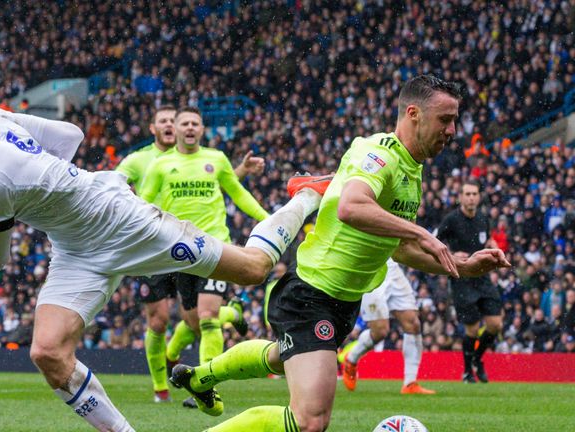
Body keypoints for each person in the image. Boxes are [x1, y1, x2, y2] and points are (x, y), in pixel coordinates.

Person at [0, 89, 329, 432]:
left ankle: (307, 194)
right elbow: (70, 137)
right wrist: (58, 186)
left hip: (123, 223)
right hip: (75, 246)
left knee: (252, 269)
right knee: (47, 352)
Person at [170, 75, 510, 431]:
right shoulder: (379, 153)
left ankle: (201, 376)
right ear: (413, 113)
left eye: (455, 119)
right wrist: (423, 232)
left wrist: (463, 265)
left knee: (279, 354)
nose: (453, 130)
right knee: (309, 421)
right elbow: (351, 206)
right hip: (311, 295)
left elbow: (402, 249)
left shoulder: (412, 169)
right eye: (445, 119)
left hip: (344, 301)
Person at [115, 105, 263, 403]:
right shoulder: (150, 162)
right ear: (155, 127)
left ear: (201, 128)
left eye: (192, 123)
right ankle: (231, 314)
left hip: (214, 246)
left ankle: (207, 384)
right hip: (169, 248)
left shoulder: (215, 158)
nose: (183, 127)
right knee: (182, 322)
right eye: (174, 122)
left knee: (207, 318)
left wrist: (267, 216)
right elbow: (131, 196)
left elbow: (227, 188)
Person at [436, 180, 502, 383]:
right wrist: (453, 254)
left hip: (482, 277)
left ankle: (477, 359)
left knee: (495, 324)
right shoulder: (451, 220)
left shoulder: (483, 219)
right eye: (468, 194)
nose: (471, 197)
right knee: (472, 328)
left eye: (474, 194)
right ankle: (467, 372)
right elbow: (436, 242)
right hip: (462, 277)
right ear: (461, 197)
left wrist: (492, 245)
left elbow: (487, 239)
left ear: (479, 197)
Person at [339, 258, 436, 395]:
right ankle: (352, 359)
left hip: (390, 265)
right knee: (381, 331)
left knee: (413, 323)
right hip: (368, 267)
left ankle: (410, 383)